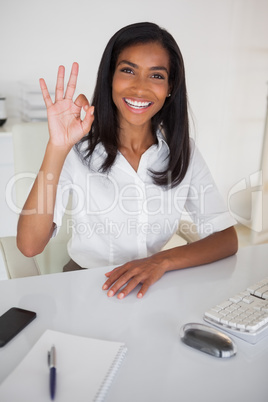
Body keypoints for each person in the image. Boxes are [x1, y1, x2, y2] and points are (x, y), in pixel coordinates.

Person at [17, 22, 238, 299]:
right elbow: (29, 246)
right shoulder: (77, 149)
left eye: (156, 76)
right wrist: (57, 147)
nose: (140, 88)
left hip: (150, 284)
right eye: (128, 70)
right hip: (85, 287)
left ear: (170, 87)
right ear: (110, 76)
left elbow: (226, 238)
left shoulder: (184, 152)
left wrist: (161, 261)